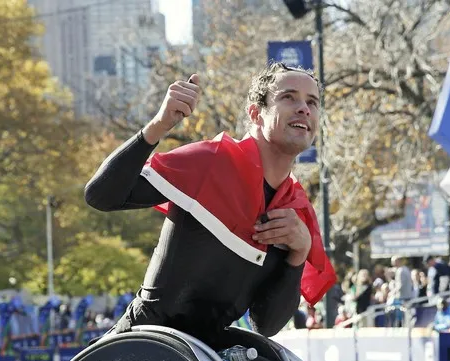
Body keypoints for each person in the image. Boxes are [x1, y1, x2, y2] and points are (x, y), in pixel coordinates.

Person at [83, 64, 336, 346]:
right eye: (289, 97)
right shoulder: (211, 161)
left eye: (312, 102)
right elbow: (101, 195)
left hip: (212, 355)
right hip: (144, 341)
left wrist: (298, 254)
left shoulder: (296, 211)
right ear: (255, 114)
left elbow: (266, 325)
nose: (304, 108)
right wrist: (159, 125)